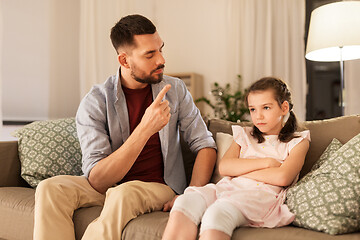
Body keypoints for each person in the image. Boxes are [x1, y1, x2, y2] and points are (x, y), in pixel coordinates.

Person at [33, 14, 217, 240]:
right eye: (150, 54)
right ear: (124, 61)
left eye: (160, 49)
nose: (161, 59)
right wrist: (145, 129)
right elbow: (98, 180)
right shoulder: (96, 101)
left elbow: (205, 145)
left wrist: (191, 196)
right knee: (50, 188)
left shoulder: (175, 90)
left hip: (159, 186)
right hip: (111, 185)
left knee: (123, 193)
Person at [162, 77, 310, 240]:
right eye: (253, 109)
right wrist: (267, 164)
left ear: (284, 107)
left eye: (266, 108)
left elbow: (282, 177)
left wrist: (240, 170)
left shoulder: (298, 141)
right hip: (228, 188)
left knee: (217, 213)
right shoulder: (245, 135)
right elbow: (225, 168)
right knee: (185, 201)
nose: (258, 116)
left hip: (260, 196)